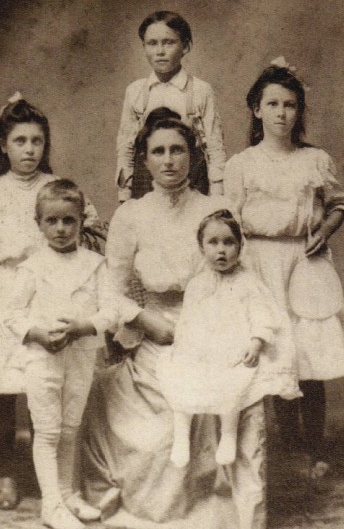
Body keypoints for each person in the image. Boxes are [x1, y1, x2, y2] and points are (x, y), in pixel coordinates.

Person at [82, 113, 265, 528]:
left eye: (178, 150)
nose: (169, 161)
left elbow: (244, 279)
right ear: (145, 161)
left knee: (221, 397)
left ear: (194, 156)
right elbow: (110, 288)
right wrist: (146, 321)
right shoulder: (131, 215)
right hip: (157, 331)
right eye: (158, 151)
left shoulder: (217, 208)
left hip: (215, 329)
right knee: (142, 414)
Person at [0, 94, 98, 510]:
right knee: (5, 391)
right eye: (20, 141)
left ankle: (51, 477)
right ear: (3, 144)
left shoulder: (53, 190)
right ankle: (6, 474)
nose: (29, 150)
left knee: (48, 389)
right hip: (3, 296)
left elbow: (82, 235)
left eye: (37, 141)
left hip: (47, 292)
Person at [223, 58, 344, 479]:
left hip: (305, 260)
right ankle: (288, 449)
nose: (282, 113)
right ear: (256, 109)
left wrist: (325, 231)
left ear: (299, 112)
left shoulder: (314, 159)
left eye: (291, 105)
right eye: (274, 104)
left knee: (309, 359)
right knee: (274, 356)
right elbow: (229, 220)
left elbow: (340, 204)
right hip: (258, 261)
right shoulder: (241, 164)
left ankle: (316, 449)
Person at [6, 180, 117, 529]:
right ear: (39, 223)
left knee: (71, 427)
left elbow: (111, 312)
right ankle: (51, 505)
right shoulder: (32, 267)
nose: (60, 229)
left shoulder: (95, 265)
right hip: (43, 358)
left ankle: (68, 494)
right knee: (48, 430)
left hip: (81, 354)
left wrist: (83, 327)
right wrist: (36, 333)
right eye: (51, 221)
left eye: (68, 220)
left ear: (81, 222)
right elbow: (11, 314)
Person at [158, 209, 300, 474]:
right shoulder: (198, 284)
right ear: (201, 248)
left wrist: (257, 342)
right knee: (179, 377)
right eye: (212, 243)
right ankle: (181, 437)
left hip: (232, 347)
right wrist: (185, 347)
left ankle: (229, 435)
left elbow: (262, 314)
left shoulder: (248, 282)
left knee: (233, 383)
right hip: (200, 348)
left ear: (240, 246)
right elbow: (188, 320)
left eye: (228, 242)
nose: (221, 250)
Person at [116, 10, 226, 202]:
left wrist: (217, 195)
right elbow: (126, 146)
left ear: (185, 46)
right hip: (146, 179)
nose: (160, 51)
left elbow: (214, 146)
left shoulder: (200, 90)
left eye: (168, 42)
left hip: (191, 176)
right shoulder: (136, 91)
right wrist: (125, 194)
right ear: (144, 47)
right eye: (152, 43)